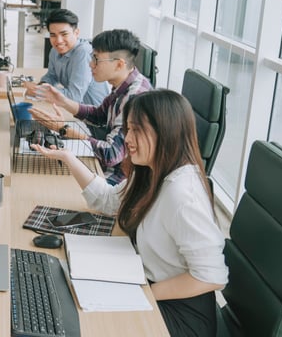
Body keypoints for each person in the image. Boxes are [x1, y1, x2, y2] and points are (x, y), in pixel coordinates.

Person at [33, 89, 228, 336]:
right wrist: (68, 157)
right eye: (128, 129)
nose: (127, 138)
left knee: (82, 322)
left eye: (137, 130)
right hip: (144, 281)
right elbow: (108, 201)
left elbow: (212, 276)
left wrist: (144, 293)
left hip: (179, 314)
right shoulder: (152, 171)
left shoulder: (182, 195)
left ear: (165, 132)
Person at [29, 29, 153, 185]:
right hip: (104, 166)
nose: (90, 64)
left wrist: (64, 129)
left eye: (96, 59)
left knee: (47, 180)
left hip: (118, 180)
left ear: (119, 64)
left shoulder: (134, 98)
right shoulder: (122, 85)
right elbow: (99, 116)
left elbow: (111, 153)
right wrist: (63, 101)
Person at [22, 9, 109, 106]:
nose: (58, 41)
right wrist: (41, 85)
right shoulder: (55, 50)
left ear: (76, 33)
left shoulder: (83, 53)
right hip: (74, 110)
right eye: (53, 35)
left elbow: (74, 97)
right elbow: (52, 75)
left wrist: (39, 91)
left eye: (64, 34)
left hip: (93, 115)